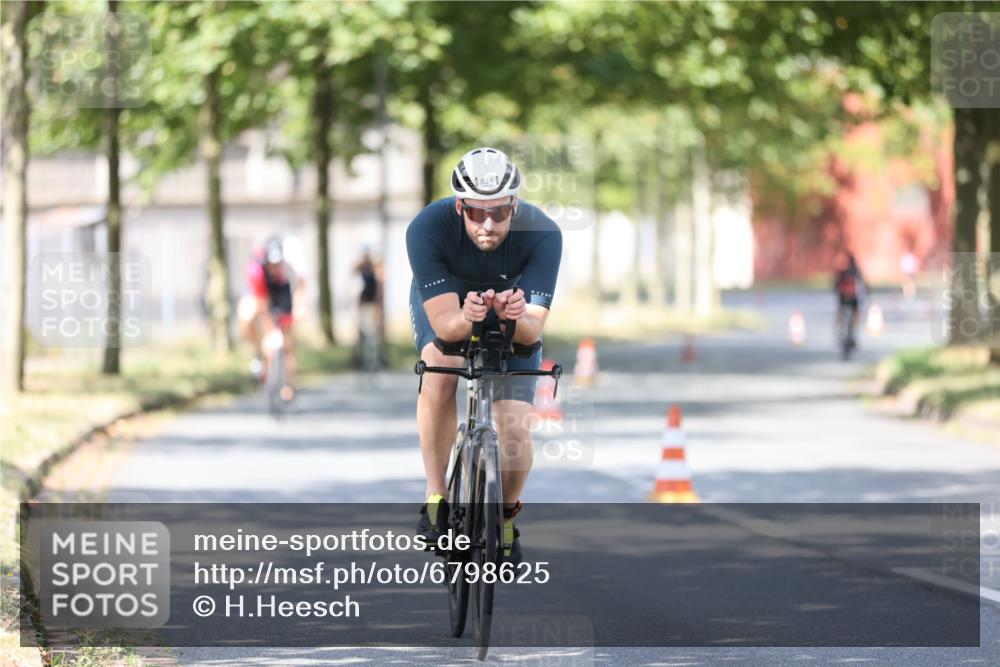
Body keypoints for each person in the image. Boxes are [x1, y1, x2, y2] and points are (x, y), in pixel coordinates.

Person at [406, 147, 562, 564]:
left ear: (515, 205)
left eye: (499, 213)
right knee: (441, 372)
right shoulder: (427, 228)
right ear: (460, 207)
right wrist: (467, 317)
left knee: (513, 427)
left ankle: (506, 516)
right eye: (476, 213)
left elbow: (533, 329)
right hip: (450, 306)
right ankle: (436, 496)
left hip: (513, 313)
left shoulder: (544, 233)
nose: (488, 224)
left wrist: (514, 318)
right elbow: (444, 326)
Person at [237, 236, 305, 401]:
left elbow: (299, 288)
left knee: (287, 342)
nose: (274, 267)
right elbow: (262, 303)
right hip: (262, 295)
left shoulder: (288, 269)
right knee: (247, 317)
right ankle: (260, 356)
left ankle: (289, 384)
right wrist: (269, 329)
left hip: (282, 292)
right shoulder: (256, 271)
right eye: (272, 264)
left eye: (278, 263)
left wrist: (298, 308)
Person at [353, 245, 383, 369]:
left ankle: (373, 359)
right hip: (363, 304)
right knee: (363, 331)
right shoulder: (359, 269)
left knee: (373, 333)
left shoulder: (374, 269)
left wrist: (378, 306)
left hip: (372, 305)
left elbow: (379, 288)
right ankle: (363, 359)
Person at [834, 252, 866, 348]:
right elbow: (862, 283)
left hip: (843, 296)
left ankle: (839, 330)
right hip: (853, 297)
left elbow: (836, 285)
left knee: (841, 313)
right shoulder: (856, 271)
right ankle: (852, 334)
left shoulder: (842, 271)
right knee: (855, 315)